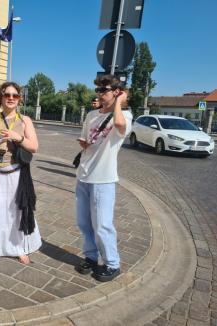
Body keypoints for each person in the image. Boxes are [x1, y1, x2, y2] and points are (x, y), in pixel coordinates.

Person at [0, 81, 42, 265]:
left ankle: (18, 248)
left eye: (15, 95)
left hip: (15, 173)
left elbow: (34, 147)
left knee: (15, 213)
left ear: (19, 99)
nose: (11, 98)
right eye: (7, 95)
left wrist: (17, 137)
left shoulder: (25, 120)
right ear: (1, 97)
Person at [75, 74, 132, 282]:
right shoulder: (91, 115)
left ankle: (112, 264)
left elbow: (119, 125)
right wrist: (85, 142)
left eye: (104, 90)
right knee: (84, 223)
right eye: (98, 90)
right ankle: (91, 257)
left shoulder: (125, 116)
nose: (99, 93)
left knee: (102, 225)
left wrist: (119, 102)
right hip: (84, 174)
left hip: (103, 179)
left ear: (116, 92)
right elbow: (84, 139)